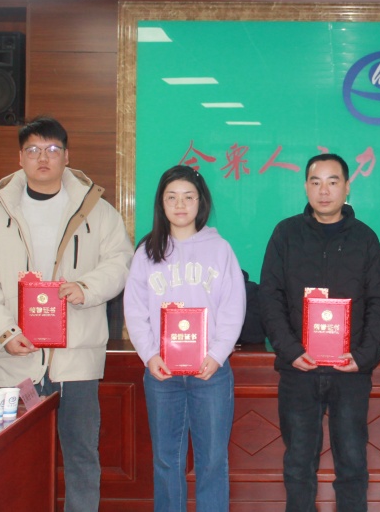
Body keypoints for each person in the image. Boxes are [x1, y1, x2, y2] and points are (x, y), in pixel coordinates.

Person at [0, 116, 134, 512]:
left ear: (67, 156)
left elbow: (121, 262)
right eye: (33, 150)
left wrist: (86, 287)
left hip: (75, 359)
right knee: (17, 459)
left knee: (81, 455)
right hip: (16, 358)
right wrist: (5, 332)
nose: (43, 158)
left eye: (53, 149)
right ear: (20, 158)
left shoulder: (97, 211)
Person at [259, 153, 380, 512]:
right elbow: (269, 297)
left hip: (350, 371)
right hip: (298, 370)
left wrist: (363, 357)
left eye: (333, 182)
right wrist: (290, 350)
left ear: (347, 187)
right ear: (305, 187)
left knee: (352, 463)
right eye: (316, 182)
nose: (324, 190)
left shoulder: (365, 238)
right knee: (298, 464)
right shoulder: (286, 234)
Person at [123, 165, 245, 511]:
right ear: (161, 203)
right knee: (166, 460)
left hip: (210, 372)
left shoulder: (220, 249)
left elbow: (233, 308)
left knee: (212, 461)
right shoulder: (147, 251)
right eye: (171, 197)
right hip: (162, 372)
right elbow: (135, 309)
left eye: (188, 197)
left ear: (200, 202)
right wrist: (149, 355)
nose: (180, 205)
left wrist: (217, 355)